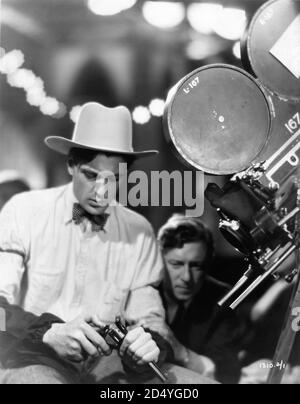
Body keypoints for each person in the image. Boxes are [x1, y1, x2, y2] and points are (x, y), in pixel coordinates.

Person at [0, 102, 214, 384]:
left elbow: (149, 320)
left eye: (114, 179)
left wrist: (148, 343)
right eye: (90, 175)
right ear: (71, 165)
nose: (101, 193)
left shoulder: (139, 230)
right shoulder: (23, 210)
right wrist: (47, 333)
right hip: (31, 355)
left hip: (109, 363)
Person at [143, 214, 244, 384]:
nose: (186, 277)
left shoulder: (224, 300)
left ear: (208, 263)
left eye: (196, 266)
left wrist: (179, 350)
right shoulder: (141, 288)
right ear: (158, 261)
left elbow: (228, 374)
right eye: (176, 264)